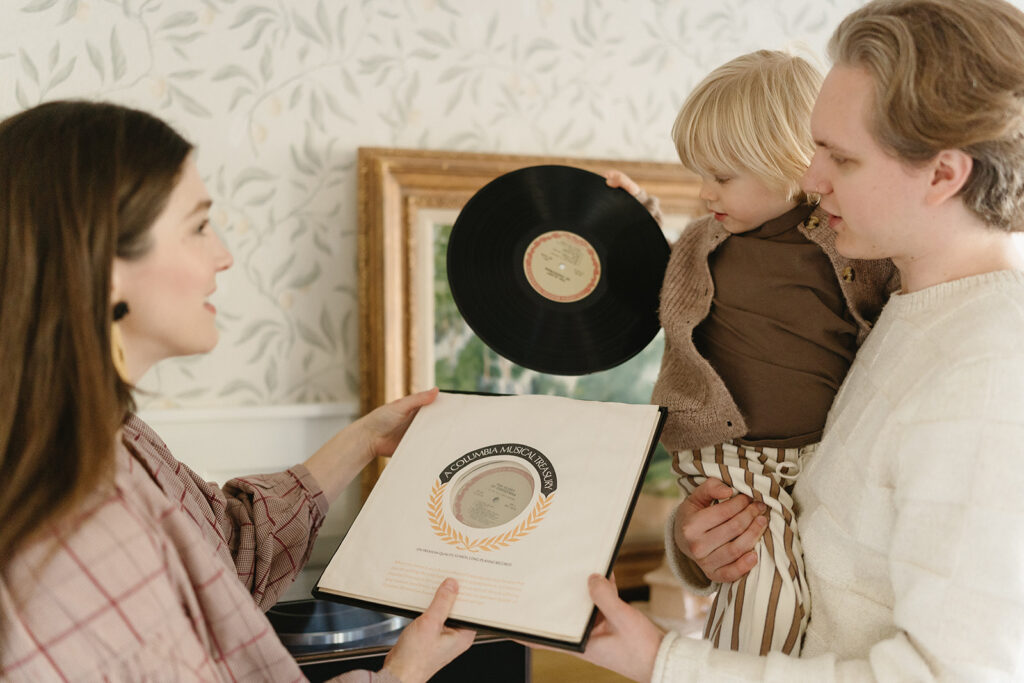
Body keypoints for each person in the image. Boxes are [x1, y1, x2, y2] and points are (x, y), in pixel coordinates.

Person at [580, 0, 1024, 679]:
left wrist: (664, 660)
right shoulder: (903, 311)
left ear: (942, 174)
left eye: (840, 159)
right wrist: (699, 547)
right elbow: (838, 551)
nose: (810, 179)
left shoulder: (990, 375)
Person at [0, 100, 474, 682]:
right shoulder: (78, 523)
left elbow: (223, 556)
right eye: (198, 226)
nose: (223, 255)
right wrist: (399, 677)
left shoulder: (108, 436)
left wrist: (364, 439)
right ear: (104, 260)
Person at [613, 48, 897, 657]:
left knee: (809, 596)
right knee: (765, 596)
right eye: (702, 175)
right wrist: (634, 219)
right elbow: (663, 277)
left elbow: (893, 299)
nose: (705, 192)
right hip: (733, 453)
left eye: (721, 176)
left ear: (786, 164)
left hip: (819, 455)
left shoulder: (851, 243)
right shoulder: (704, 242)